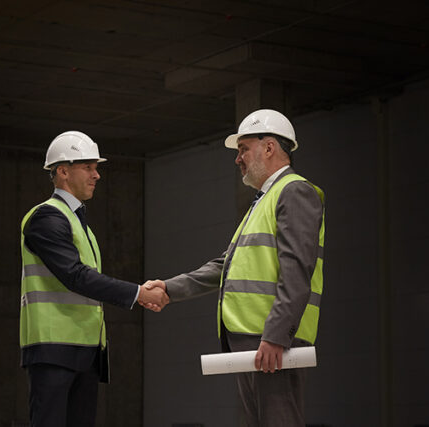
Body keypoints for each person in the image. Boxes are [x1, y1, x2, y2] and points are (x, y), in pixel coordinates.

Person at [144, 109, 325, 426]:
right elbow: (225, 266)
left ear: (268, 147)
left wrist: (276, 336)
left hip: (271, 341)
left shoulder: (294, 191)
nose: (237, 159)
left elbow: (297, 271)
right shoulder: (264, 199)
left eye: (243, 149)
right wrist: (170, 288)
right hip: (255, 341)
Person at [20, 130, 168, 427]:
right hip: (54, 350)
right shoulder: (46, 218)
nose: (96, 175)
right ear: (63, 171)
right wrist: (138, 293)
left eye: (96, 167)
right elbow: (76, 277)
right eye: (88, 167)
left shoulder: (79, 223)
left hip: (84, 351)